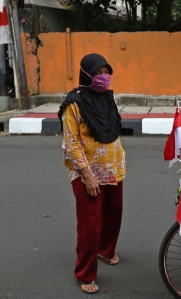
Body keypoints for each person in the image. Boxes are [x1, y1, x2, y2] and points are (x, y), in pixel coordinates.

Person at [58, 53, 126, 294]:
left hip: (112, 169)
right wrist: (87, 174)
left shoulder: (109, 97)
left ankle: (105, 251)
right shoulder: (73, 104)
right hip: (88, 173)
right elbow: (71, 143)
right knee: (90, 225)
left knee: (113, 214)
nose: (103, 77)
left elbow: (113, 130)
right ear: (86, 75)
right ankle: (84, 273)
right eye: (98, 73)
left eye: (107, 72)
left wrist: (118, 163)